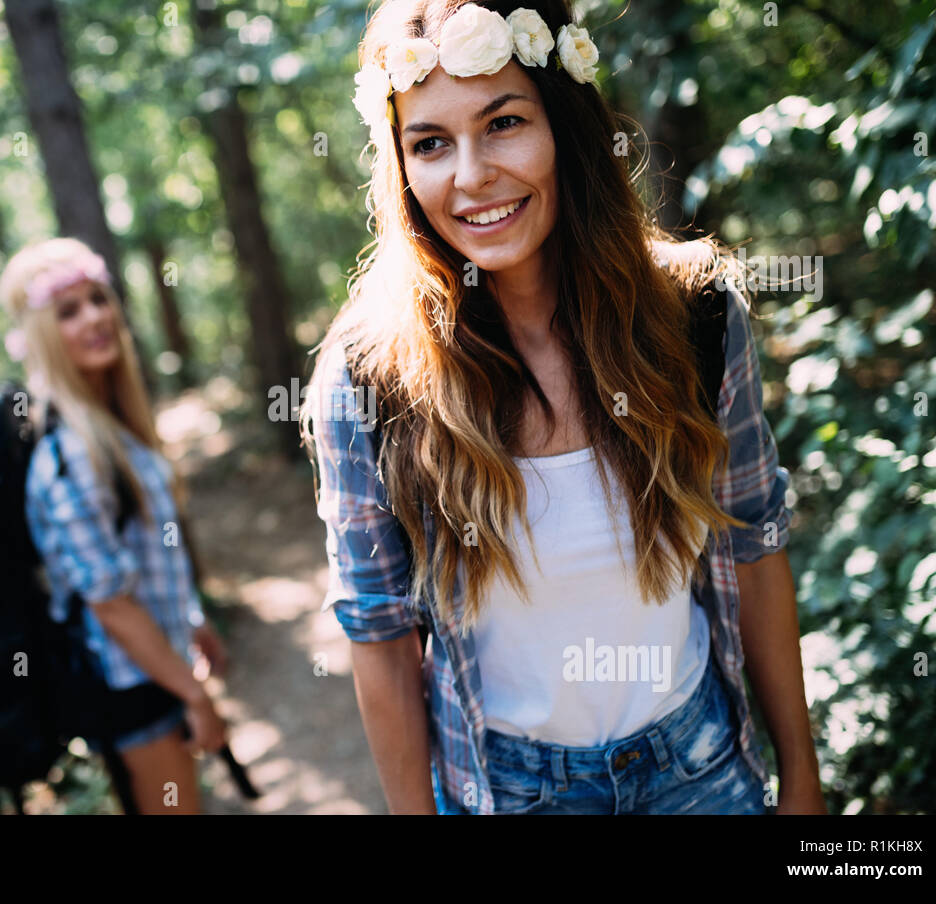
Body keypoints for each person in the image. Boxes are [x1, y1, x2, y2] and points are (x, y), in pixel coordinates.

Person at [303, 0, 826, 815]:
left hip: (700, 768)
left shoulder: (694, 315)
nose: (470, 175)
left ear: (566, 126)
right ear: (400, 168)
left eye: (504, 122)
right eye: (430, 143)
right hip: (512, 792)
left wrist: (801, 774)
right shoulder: (371, 381)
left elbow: (755, 543)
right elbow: (379, 635)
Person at [0, 237, 227, 814]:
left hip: (156, 670)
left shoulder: (112, 427)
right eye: (69, 311)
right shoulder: (72, 452)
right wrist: (193, 693)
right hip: (131, 687)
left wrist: (194, 621)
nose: (95, 317)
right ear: (43, 336)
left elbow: (147, 551)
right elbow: (112, 605)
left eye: (98, 299)